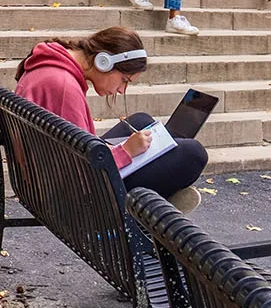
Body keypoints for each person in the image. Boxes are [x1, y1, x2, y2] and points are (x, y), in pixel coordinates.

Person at [14, 27, 207, 212]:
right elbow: (81, 171)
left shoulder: (51, 65)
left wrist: (111, 150)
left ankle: (157, 200)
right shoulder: (64, 88)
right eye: (124, 80)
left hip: (46, 177)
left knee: (141, 121)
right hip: (71, 197)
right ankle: (151, 212)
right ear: (103, 62)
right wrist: (125, 152)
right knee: (193, 153)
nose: (122, 90)